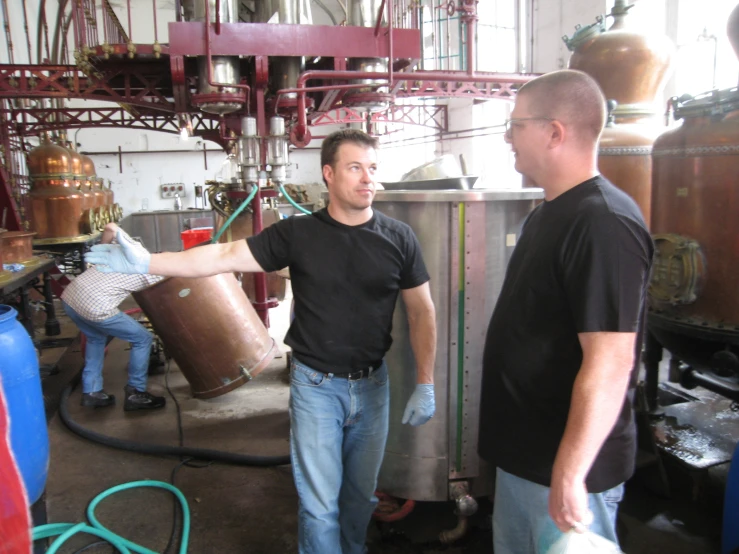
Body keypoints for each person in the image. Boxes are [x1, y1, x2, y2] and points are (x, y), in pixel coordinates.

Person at [85, 129, 438, 554]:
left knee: (360, 497)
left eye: (373, 169)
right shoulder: (298, 234)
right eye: (355, 167)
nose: (368, 179)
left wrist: (426, 381)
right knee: (319, 507)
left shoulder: (398, 237)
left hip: (372, 385)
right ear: (328, 173)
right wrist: (148, 260)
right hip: (316, 389)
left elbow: (422, 311)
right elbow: (221, 256)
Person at [478, 69, 654, 553]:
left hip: (566, 475)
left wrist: (570, 472)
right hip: (526, 461)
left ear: (554, 132)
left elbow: (611, 363)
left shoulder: (604, 224)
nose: (507, 138)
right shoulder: (549, 213)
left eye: (515, 125)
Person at [61, 223, 166, 411]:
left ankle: (92, 392)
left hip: (70, 298)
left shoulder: (131, 248)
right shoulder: (156, 274)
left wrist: (104, 251)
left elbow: (110, 227)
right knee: (142, 338)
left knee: (96, 337)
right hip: (95, 306)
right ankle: (136, 393)